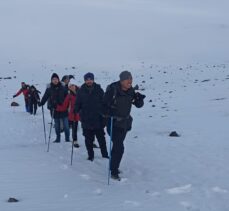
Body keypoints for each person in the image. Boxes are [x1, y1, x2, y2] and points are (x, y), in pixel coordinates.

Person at [103, 71, 145, 180]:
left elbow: (137, 104)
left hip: (124, 124)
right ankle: (113, 171)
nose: (130, 81)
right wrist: (109, 112)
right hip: (113, 123)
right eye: (127, 79)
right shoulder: (113, 90)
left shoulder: (131, 91)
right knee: (119, 147)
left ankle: (113, 165)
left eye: (131, 78)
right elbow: (102, 107)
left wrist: (140, 100)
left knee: (117, 146)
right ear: (122, 81)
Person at [74, 72, 108, 161]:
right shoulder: (80, 91)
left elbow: (104, 103)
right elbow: (77, 104)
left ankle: (105, 155)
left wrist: (104, 116)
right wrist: (78, 111)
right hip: (86, 119)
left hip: (98, 119)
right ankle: (90, 156)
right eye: (87, 79)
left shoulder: (99, 90)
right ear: (85, 80)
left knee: (101, 139)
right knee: (88, 140)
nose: (89, 81)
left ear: (93, 80)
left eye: (90, 79)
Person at [39, 73, 70, 143]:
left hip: (64, 109)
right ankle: (58, 138)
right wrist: (41, 103)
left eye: (56, 79)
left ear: (58, 80)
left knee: (66, 125)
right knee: (57, 125)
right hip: (55, 109)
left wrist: (67, 105)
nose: (55, 80)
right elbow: (45, 97)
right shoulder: (49, 89)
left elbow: (68, 97)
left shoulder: (63, 88)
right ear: (51, 80)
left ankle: (67, 139)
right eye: (53, 79)